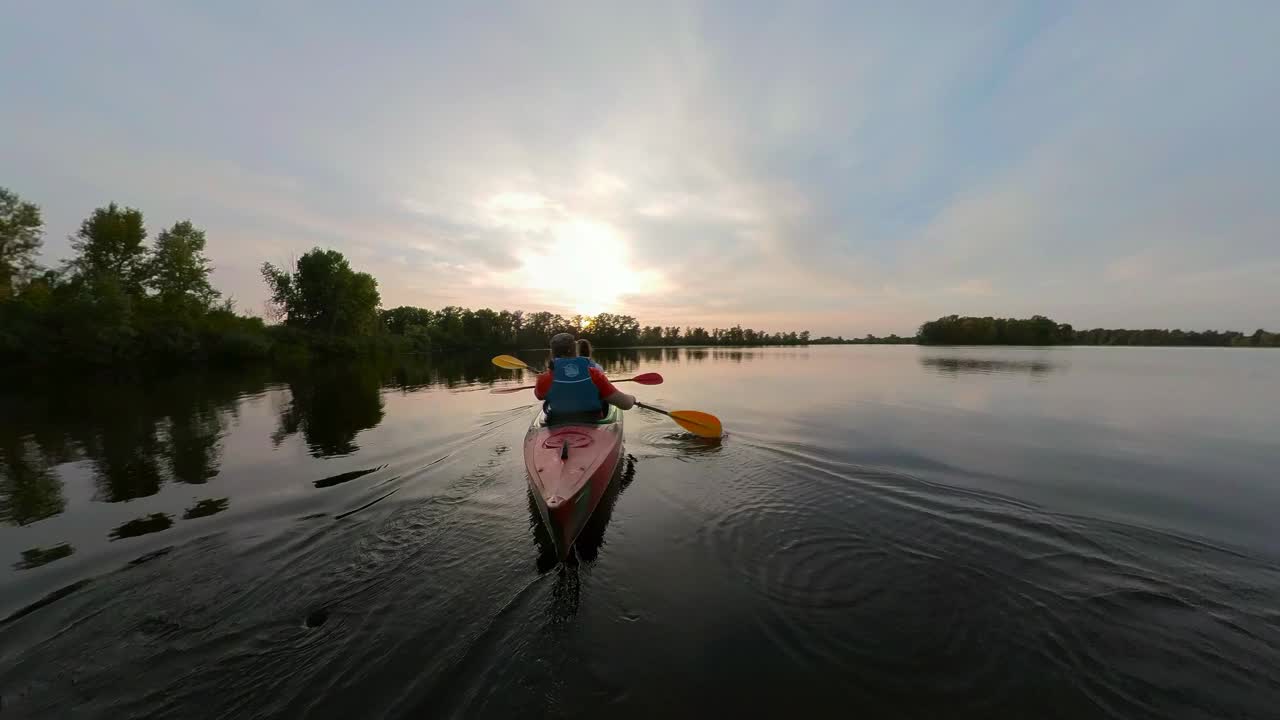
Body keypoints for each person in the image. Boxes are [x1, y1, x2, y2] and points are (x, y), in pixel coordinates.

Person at [535, 333, 635, 419]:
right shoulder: (594, 374)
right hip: (592, 422)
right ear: (575, 350)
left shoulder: (543, 379)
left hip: (557, 422)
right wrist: (632, 398)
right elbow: (625, 404)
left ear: (552, 353)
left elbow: (539, 396)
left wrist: (539, 380)